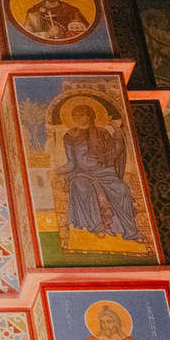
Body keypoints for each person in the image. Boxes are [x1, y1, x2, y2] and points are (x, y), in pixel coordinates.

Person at [57, 102, 145, 245]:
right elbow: (72, 163)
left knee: (122, 189)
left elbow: (115, 152)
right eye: (75, 116)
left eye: (82, 115)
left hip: (105, 172)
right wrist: (55, 172)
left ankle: (131, 232)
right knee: (82, 186)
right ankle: (97, 227)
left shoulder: (102, 133)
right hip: (81, 173)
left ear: (90, 115)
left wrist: (117, 131)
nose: (79, 118)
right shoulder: (70, 136)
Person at [22, 0, 89, 42]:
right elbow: (26, 36)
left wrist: (68, 33)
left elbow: (85, 32)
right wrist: (47, 34)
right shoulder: (34, 11)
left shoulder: (71, 10)